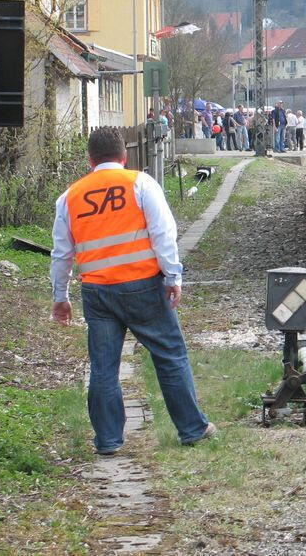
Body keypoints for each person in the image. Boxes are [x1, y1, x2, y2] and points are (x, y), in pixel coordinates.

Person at [50, 127, 215, 454]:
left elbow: (61, 253)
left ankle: (108, 440)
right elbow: (163, 233)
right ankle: (192, 429)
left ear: (90, 159)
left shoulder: (69, 197)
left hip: (98, 292)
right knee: (169, 355)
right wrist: (173, 275)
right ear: (124, 156)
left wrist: (60, 298)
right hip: (143, 287)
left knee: (103, 367)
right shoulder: (140, 183)